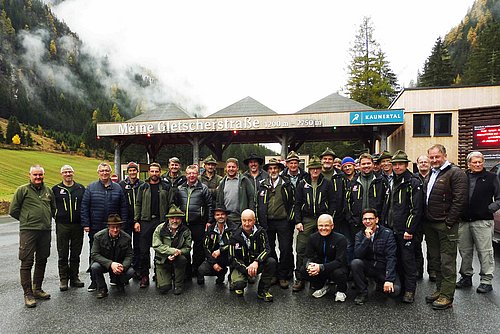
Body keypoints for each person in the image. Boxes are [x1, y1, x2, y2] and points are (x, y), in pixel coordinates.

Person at [424, 144, 467, 310]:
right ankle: (440, 290)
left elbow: (460, 200)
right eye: (432, 157)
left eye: (437, 157)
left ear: (444, 156)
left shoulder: (456, 173)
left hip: (445, 224)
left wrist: (449, 221)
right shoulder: (432, 173)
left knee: (447, 261)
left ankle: (447, 297)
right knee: (435, 261)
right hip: (431, 223)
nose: (434, 160)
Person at [9, 165, 56, 308]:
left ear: (43, 175)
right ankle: (28, 294)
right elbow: (13, 210)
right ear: (29, 175)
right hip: (28, 231)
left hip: (45, 231)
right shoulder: (22, 190)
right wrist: (27, 220)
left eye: (40, 175)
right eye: (35, 175)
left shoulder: (48, 191)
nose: (38, 177)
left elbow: (53, 209)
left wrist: (46, 220)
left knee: (42, 260)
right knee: (27, 262)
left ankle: (37, 289)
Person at [456, 151, 500, 294]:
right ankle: (466, 276)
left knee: (485, 252)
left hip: (483, 221)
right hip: (463, 221)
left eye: (480, 161)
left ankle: (486, 280)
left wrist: (490, 209)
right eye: (474, 162)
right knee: (465, 251)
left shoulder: (492, 178)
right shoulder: (462, 177)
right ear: (468, 164)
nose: (477, 164)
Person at [81, 162, 128, 292]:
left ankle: (114, 277)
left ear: (110, 172)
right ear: (98, 173)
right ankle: (94, 281)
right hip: (96, 225)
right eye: (101, 171)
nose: (104, 173)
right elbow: (84, 207)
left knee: (115, 251)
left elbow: (123, 207)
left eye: (106, 171)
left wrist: (121, 225)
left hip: (114, 226)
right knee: (94, 252)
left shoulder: (118, 188)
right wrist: (86, 224)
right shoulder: (91, 187)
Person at [385, 150, 423, 303]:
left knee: (408, 261)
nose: (397, 167)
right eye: (395, 164)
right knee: (396, 259)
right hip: (392, 228)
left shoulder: (413, 182)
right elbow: (387, 206)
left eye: (400, 164)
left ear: (406, 165)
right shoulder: (391, 180)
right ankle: (400, 288)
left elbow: (416, 209)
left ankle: (410, 290)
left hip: (405, 230)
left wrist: (409, 229)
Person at [292, 155, 334, 292]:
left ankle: (320, 277)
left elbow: (332, 202)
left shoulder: (327, 183)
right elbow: (297, 204)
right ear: (309, 170)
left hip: (322, 217)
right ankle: (300, 277)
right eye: (312, 169)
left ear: (320, 170)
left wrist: (329, 217)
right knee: (301, 248)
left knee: (323, 247)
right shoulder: (302, 183)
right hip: (307, 218)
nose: (315, 171)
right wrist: (298, 221)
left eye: (317, 169)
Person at [257, 158, 295, 289]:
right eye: (270, 169)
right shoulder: (262, 184)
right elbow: (258, 203)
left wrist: (291, 217)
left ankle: (283, 275)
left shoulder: (287, 184)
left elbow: (293, 202)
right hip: (267, 221)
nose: (273, 170)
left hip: (283, 221)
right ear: (267, 171)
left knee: (285, 248)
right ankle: (273, 274)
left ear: (279, 169)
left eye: (275, 168)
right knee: (270, 248)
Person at [134, 162, 173, 288]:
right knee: (144, 251)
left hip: (161, 221)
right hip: (146, 221)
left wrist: (170, 221)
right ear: (149, 172)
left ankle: (159, 274)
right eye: (152, 171)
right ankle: (144, 276)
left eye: (157, 171)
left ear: (160, 172)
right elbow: (138, 204)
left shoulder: (166, 186)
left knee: (160, 250)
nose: (154, 174)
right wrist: (136, 221)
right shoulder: (143, 186)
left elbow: (170, 203)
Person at [173, 164, 214, 284]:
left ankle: (197, 270)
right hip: (184, 224)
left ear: (197, 174)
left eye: (194, 173)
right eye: (189, 173)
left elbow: (210, 205)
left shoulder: (203, 188)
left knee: (198, 248)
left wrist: (209, 221)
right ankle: (187, 272)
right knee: (184, 247)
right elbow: (176, 204)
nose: (191, 175)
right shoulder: (180, 188)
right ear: (186, 174)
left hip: (199, 223)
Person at [351, 208, 401, 305]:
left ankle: (380, 283)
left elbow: (391, 257)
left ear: (376, 220)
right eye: (365, 219)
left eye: (371, 219)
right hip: (369, 266)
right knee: (355, 263)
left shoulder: (387, 233)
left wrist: (389, 279)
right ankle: (362, 293)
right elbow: (357, 255)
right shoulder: (359, 235)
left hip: (383, 267)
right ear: (362, 221)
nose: (368, 221)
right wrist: (366, 239)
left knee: (395, 291)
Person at [345, 153, 389, 261]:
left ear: (373, 164)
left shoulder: (381, 181)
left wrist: (381, 219)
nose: (366, 166)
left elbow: (386, 202)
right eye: (363, 164)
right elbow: (347, 202)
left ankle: (375, 272)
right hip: (357, 223)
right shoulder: (353, 182)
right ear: (359, 166)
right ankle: (357, 272)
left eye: (368, 163)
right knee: (358, 249)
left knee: (376, 248)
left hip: (376, 222)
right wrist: (351, 219)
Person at [229, 209, 276, 302]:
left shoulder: (261, 232)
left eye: (250, 220)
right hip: (242, 265)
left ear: (254, 220)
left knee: (271, 262)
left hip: (256, 263)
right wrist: (246, 269)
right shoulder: (234, 234)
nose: (247, 223)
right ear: (241, 220)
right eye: (244, 220)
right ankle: (237, 282)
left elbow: (267, 249)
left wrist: (257, 261)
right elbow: (232, 257)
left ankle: (262, 291)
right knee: (239, 284)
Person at [52, 165, 86, 291]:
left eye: (70, 172)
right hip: (62, 225)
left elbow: (85, 205)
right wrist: (56, 216)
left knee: (76, 253)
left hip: (77, 225)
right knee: (63, 253)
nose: (67, 174)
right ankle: (63, 279)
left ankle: (74, 277)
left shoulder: (80, 188)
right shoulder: (56, 189)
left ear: (73, 173)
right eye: (65, 172)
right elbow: (51, 205)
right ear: (61, 174)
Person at [300, 214, 348, 301]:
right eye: (320, 225)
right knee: (304, 270)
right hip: (320, 267)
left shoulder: (341, 239)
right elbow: (307, 256)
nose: (323, 228)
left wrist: (321, 267)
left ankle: (341, 290)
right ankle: (321, 286)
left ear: (332, 226)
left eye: (326, 225)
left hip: (335, 268)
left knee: (339, 272)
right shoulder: (312, 238)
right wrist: (309, 266)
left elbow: (340, 261)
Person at [90, 214, 134, 299]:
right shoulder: (98, 236)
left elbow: (129, 255)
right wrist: (110, 264)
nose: (115, 230)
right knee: (95, 267)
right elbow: (94, 254)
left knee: (131, 271)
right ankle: (102, 288)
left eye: (117, 227)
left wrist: (122, 267)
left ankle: (119, 282)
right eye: (112, 227)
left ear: (120, 227)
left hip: (119, 264)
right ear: (108, 227)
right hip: (105, 263)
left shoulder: (127, 238)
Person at [152, 205, 192, 295]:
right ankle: (166, 277)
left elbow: (188, 247)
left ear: (181, 219)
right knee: (164, 289)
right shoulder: (160, 228)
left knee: (182, 259)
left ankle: (178, 285)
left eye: (177, 218)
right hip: (163, 259)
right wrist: (171, 252)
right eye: (172, 218)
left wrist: (179, 252)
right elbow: (156, 245)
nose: (175, 221)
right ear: (168, 219)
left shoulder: (186, 231)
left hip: (178, 257)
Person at [118, 161, 144, 277]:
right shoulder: (121, 185)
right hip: (126, 219)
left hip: (139, 219)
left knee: (138, 245)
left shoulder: (143, 185)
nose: (132, 172)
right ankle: (126, 268)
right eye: (130, 171)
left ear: (137, 172)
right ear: (127, 172)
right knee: (126, 244)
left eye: (134, 170)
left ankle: (138, 267)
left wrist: (138, 219)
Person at [198, 205, 233, 285]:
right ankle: (221, 272)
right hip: (215, 256)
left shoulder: (233, 227)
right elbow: (206, 247)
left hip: (228, 255)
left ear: (226, 216)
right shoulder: (210, 229)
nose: (220, 216)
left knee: (235, 259)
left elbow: (234, 243)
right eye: (217, 215)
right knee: (202, 270)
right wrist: (213, 263)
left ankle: (231, 278)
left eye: (222, 214)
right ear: (214, 216)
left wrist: (221, 250)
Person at [216, 158, 255, 225]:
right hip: (227, 219)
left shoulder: (244, 181)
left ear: (237, 168)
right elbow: (219, 201)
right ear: (226, 168)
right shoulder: (222, 182)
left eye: (233, 167)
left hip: (241, 219)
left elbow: (252, 198)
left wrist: (250, 214)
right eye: (229, 167)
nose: (231, 169)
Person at [415, 154, 431, 280]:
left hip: (431, 217)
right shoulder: (414, 178)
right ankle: (418, 270)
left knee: (432, 247)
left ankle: (433, 271)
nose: (424, 164)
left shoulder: (435, 177)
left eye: (426, 162)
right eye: (421, 162)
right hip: (418, 218)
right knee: (416, 246)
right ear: (417, 164)